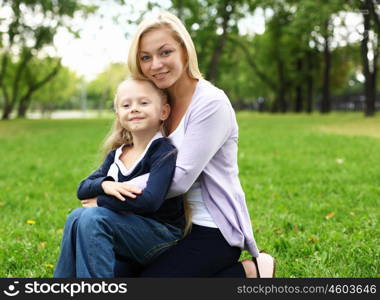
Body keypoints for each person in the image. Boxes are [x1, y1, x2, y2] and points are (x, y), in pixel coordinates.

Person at [110, 11, 276, 277]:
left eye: (165, 52)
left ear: (185, 52)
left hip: (211, 228)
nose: (155, 65)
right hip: (164, 223)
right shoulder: (152, 103)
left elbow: (179, 179)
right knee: (113, 277)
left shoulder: (211, 104)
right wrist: (104, 183)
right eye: (145, 57)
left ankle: (251, 272)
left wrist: (112, 194)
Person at [54, 77, 186, 278]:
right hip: (126, 228)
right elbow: (83, 188)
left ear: (164, 112)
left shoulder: (163, 151)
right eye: (126, 105)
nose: (134, 109)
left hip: (161, 235)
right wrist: (105, 185)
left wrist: (102, 201)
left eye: (143, 103)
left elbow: (150, 201)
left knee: (92, 217)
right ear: (118, 115)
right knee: (76, 217)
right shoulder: (117, 154)